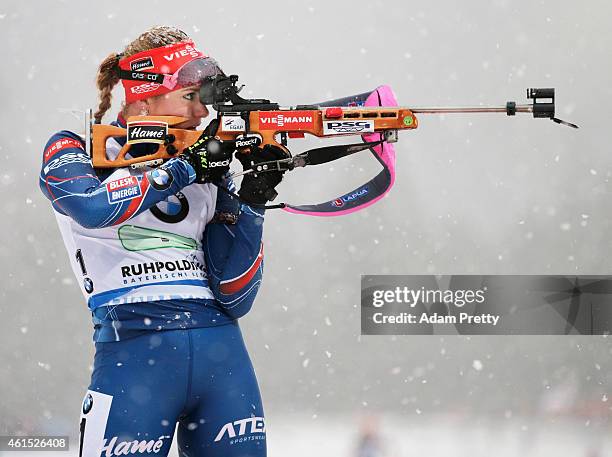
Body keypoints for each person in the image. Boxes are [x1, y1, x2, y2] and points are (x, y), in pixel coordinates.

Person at [39, 26, 284, 457]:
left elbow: (235, 294)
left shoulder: (208, 164)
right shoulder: (73, 148)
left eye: (205, 100)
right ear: (144, 96)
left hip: (222, 357)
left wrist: (252, 199)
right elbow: (91, 207)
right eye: (189, 96)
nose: (201, 113)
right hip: (133, 354)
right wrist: (185, 168)